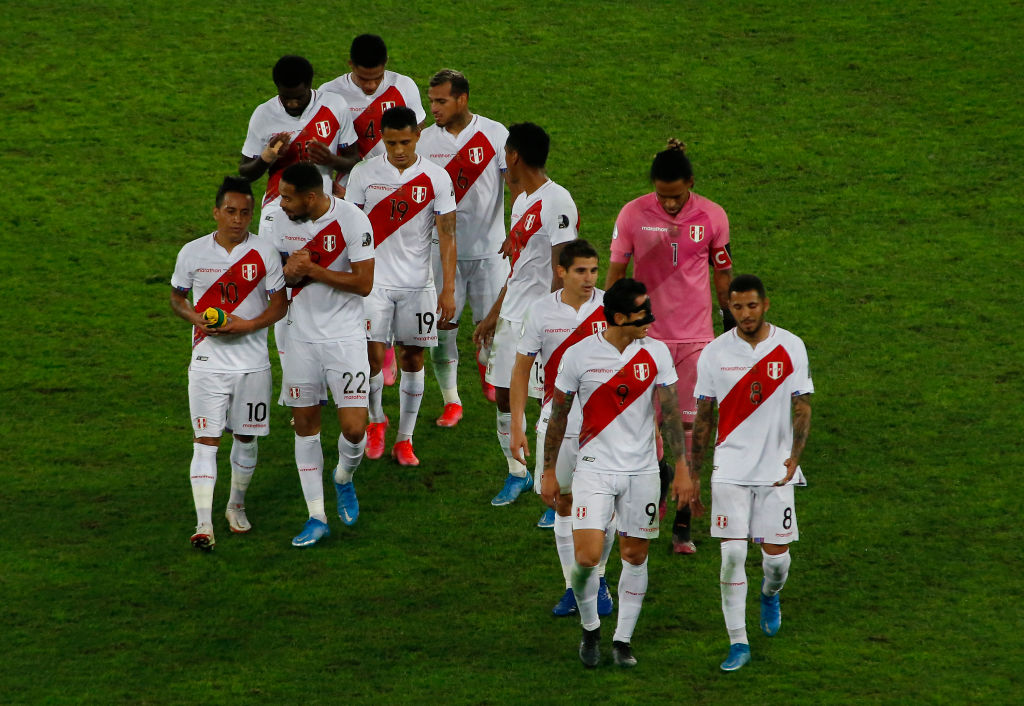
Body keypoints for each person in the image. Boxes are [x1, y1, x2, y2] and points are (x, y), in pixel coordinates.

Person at [543, 278, 695, 668]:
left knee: (635, 555)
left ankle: (622, 641)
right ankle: (591, 627)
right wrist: (547, 470)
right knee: (587, 556)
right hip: (593, 469)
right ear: (621, 317)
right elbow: (559, 417)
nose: (651, 319)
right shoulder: (578, 356)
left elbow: (672, 415)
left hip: (642, 471)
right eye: (644, 313)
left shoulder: (657, 354)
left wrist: (681, 467)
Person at [606, 139, 734, 555]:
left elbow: (722, 277)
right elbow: (616, 274)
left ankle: (682, 524)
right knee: (646, 429)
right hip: (648, 338)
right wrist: (610, 327)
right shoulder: (632, 214)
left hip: (697, 341)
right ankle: (654, 498)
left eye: (677, 196)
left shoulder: (713, 216)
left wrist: (731, 329)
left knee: (692, 432)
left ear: (691, 184)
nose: (671, 204)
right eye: (663, 196)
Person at [681, 274, 813, 672]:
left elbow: (802, 405)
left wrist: (795, 454)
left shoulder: (790, 346)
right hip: (731, 467)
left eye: (751, 306)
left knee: (776, 561)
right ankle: (738, 641)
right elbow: (703, 417)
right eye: (737, 307)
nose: (744, 314)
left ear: (765, 305)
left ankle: (770, 595)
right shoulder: (715, 353)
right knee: (733, 554)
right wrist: (695, 474)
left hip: (775, 470)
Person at [170, 177, 287, 550]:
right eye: (231, 212)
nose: (238, 220)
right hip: (207, 362)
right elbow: (177, 297)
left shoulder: (265, 252)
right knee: (205, 442)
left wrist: (248, 325)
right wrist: (195, 319)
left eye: (246, 213)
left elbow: (280, 304)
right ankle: (203, 524)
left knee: (246, 436)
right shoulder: (192, 252)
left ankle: (235, 504)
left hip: (253, 363)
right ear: (216, 212)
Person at [508, 240, 616, 618]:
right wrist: (516, 426)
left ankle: (598, 577)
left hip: (606, 425)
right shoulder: (540, 312)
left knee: (606, 501)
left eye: (593, 270)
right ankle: (573, 586)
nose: (589, 278)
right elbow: (521, 370)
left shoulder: (611, 307)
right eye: (581, 271)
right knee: (560, 501)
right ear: (561, 272)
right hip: (559, 422)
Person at [473, 122, 578, 507]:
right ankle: (518, 472)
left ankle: (560, 485)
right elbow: (519, 266)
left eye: (505, 154)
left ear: (514, 156)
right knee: (504, 396)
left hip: (542, 320)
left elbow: (561, 268)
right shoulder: (521, 201)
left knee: (546, 403)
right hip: (513, 315)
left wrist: (551, 323)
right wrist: (493, 313)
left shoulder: (557, 202)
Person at [270, 163, 375, 548]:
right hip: (299, 339)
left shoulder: (352, 220)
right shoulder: (275, 222)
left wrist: (312, 269)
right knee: (305, 426)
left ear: (310, 198)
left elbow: (364, 283)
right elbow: (274, 278)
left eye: (287, 197)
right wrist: (291, 273)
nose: (281, 203)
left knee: (354, 429)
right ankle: (316, 515)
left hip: (345, 339)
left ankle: (343, 478)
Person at [346, 106, 457, 466]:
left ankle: (404, 440)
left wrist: (448, 289)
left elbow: (448, 235)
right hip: (373, 285)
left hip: (416, 286)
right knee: (372, 358)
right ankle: (377, 421)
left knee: (412, 358)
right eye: (391, 142)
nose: (397, 150)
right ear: (382, 139)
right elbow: (350, 231)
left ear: (418, 136)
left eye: (405, 142)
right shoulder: (363, 175)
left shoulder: (437, 178)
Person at [319, 35, 428, 388]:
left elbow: (417, 133)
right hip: (353, 191)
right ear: (349, 65)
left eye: (376, 77)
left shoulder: (404, 87)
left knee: (395, 264)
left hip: (398, 192)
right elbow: (330, 147)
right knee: (363, 267)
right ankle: (373, 343)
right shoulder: (330, 95)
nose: (370, 85)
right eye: (364, 78)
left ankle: (388, 343)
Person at [418, 69, 510, 425]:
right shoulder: (423, 142)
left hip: (490, 251)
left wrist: (519, 225)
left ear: (462, 99)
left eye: (441, 101)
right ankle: (452, 399)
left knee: (496, 326)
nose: (435, 108)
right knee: (443, 328)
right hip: (441, 254)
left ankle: (488, 370)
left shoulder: (494, 133)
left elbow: (515, 182)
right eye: (431, 101)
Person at [239, 55, 359, 237]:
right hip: (277, 211)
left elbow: (355, 161)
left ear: (310, 85)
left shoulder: (334, 106)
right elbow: (246, 172)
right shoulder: (264, 114)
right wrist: (267, 157)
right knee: (275, 266)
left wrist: (330, 160)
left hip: (321, 212)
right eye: (285, 97)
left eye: (299, 97)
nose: (292, 103)